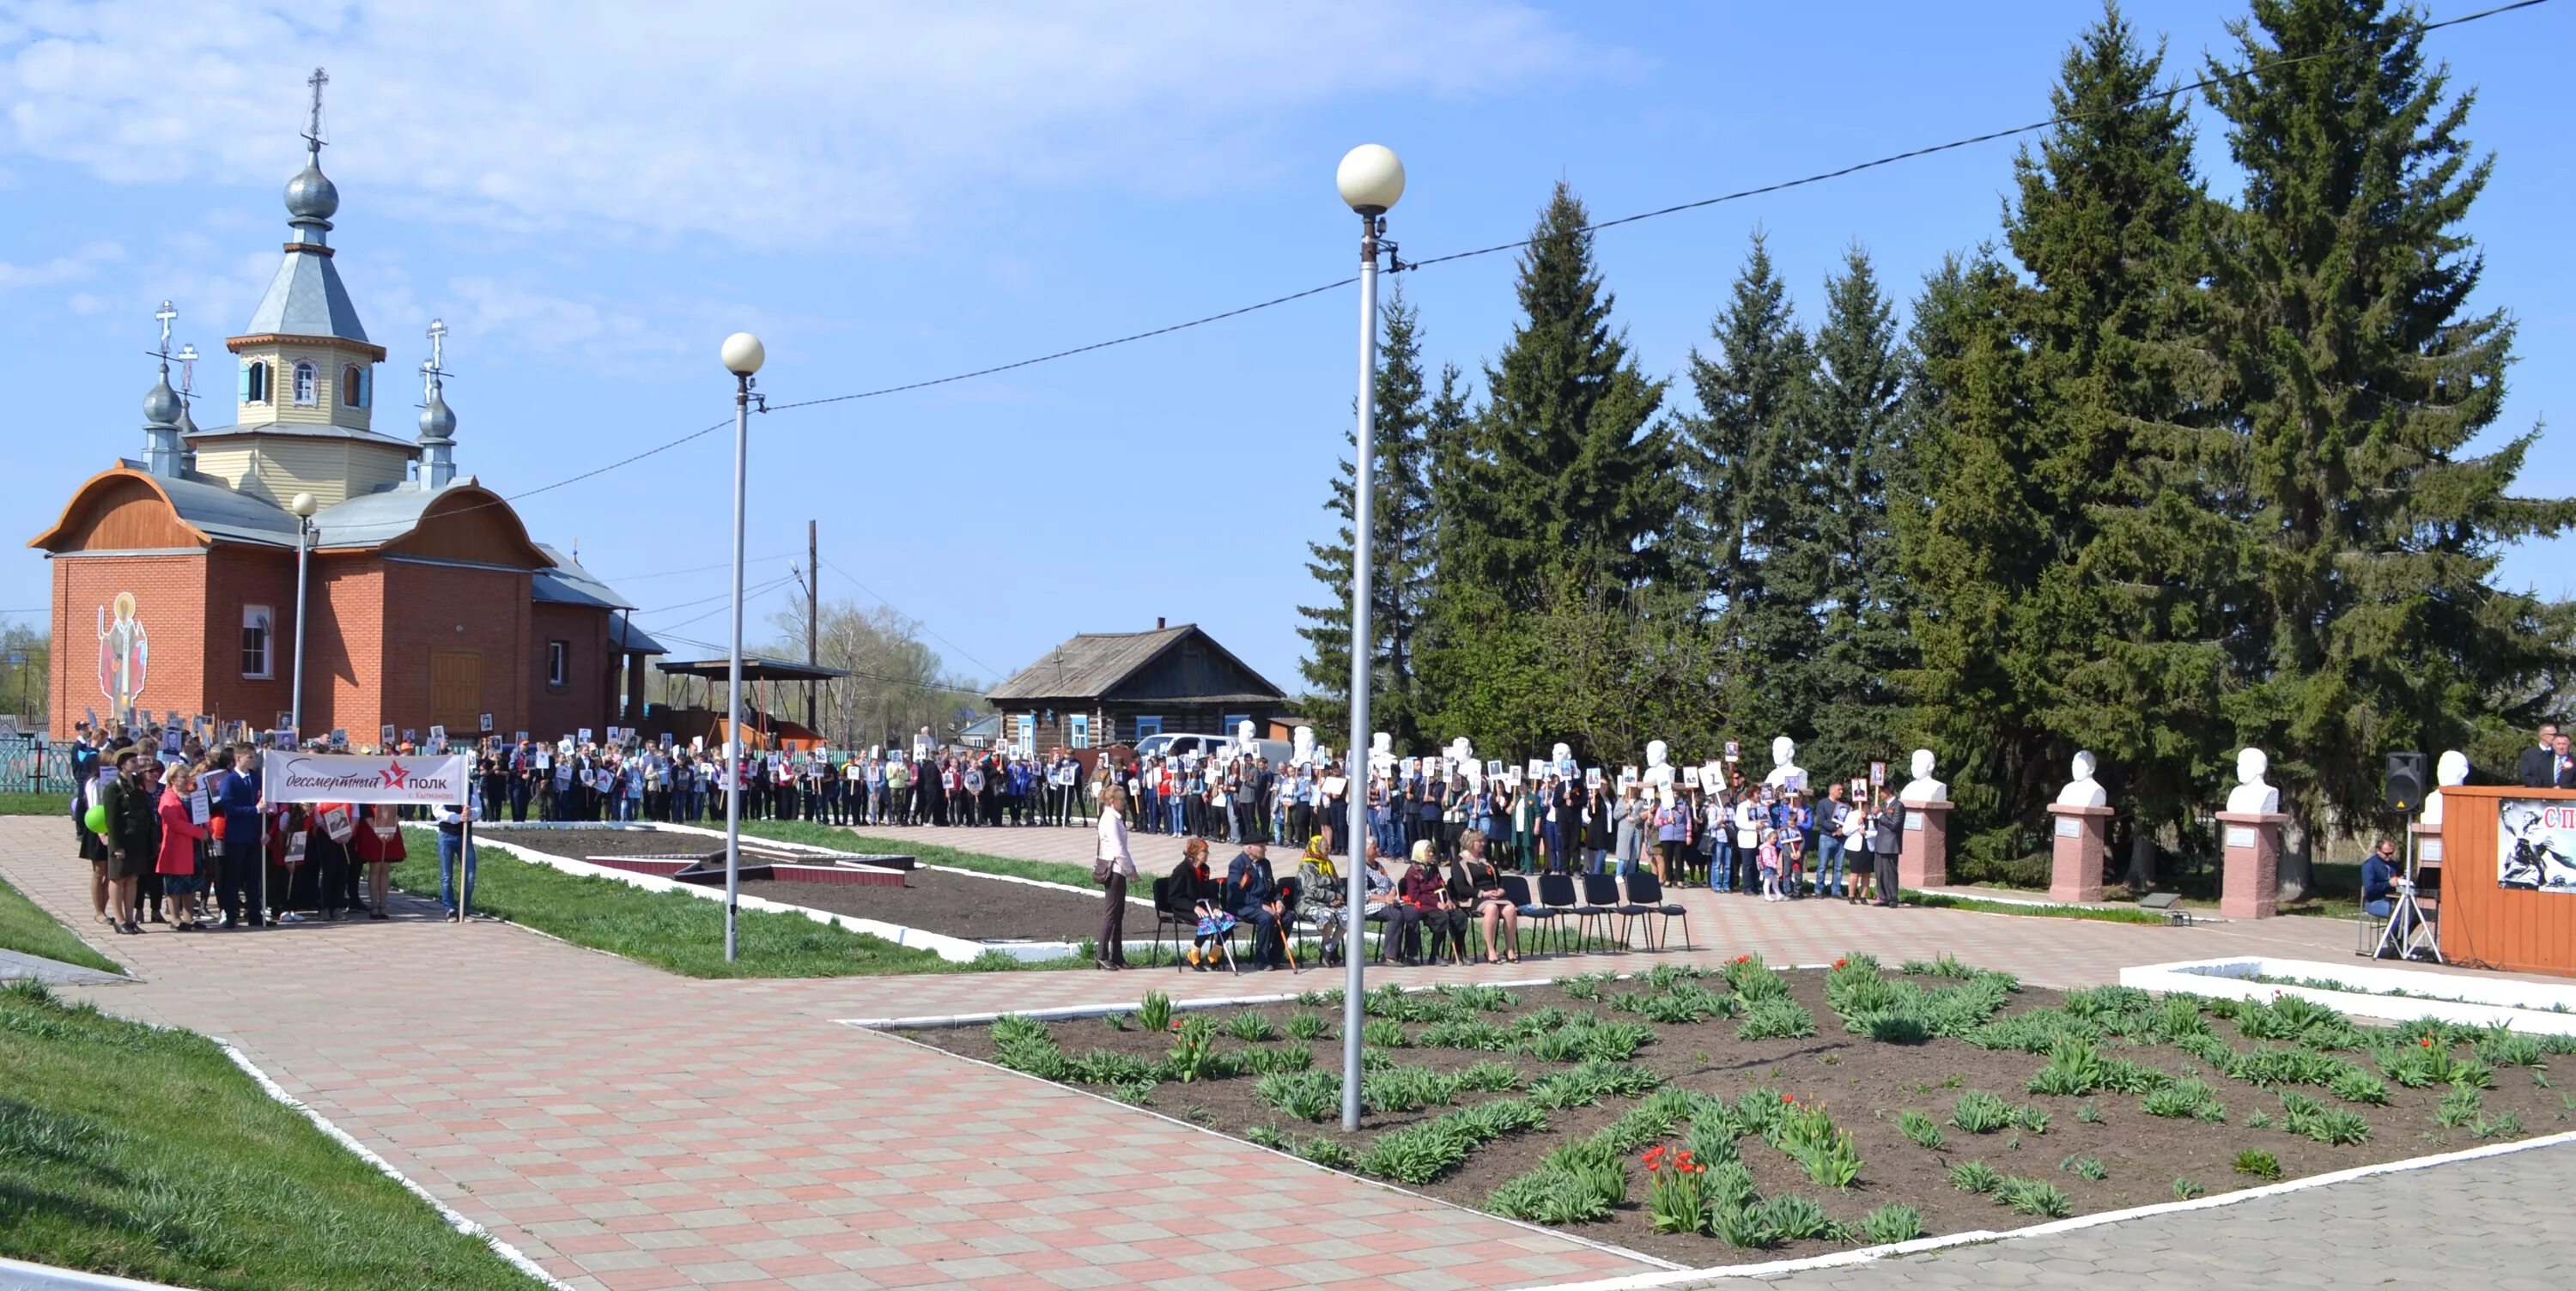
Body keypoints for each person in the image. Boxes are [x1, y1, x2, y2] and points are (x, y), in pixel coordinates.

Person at [155, 761, 210, 930]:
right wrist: (199, 833)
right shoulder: (168, 798)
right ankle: (175, 918)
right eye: (183, 777)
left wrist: (207, 828)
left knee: (192, 882)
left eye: (188, 776)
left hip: (194, 846)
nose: (187, 780)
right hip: (177, 847)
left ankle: (189, 917)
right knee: (175, 884)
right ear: (173, 780)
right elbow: (174, 823)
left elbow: (202, 815)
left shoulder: (193, 795)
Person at [1161, 837, 1226, 970]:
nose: (1208, 854)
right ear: (1195, 853)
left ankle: (1213, 954)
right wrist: (1193, 907)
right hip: (1184, 908)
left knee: (1226, 920)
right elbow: (1173, 898)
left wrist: (1215, 908)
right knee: (1209, 922)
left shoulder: (1204, 869)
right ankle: (1193, 954)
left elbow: (1208, 893)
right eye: (1205, 851)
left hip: (1201, 906)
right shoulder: (1181, 870)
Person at [1453, 833, 1518, 964]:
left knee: (1510, 909)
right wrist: (1483, 894)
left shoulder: (1487, 858)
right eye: (1480, 841)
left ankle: (1509, 949)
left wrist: (1501, 890)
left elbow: (1500, 880)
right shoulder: (1459, 861)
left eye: (1484, 841)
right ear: (1470, 842)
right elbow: (1460, 887)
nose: (1483, 843)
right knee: (1492, 908)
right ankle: (1490, 950)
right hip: (1475, 897)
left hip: (1495, 895)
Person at [1092, 785, 1136, 969]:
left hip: (1118, 870)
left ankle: (1117, 955)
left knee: (1118, 915)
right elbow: (1119, 850)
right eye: (1122, 799)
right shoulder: (1110, 819)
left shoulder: (1115, 818)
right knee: (1111, 914)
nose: (1125, 802)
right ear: (1112, 801)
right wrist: (1132, 871)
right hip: (1114, 870)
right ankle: (1102, 955)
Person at [1400, 839, 1465, 964]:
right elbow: (1415, 897)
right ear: (1419, 853)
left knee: (1460, 917)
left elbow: (1442, 885)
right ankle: (1434, 954)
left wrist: (1449, 900)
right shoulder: (1412, 872)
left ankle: (1459, 953)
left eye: (1431, 851)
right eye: (1428, 852)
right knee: (1442, 917)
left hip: (1440, 902)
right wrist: (1436, 904)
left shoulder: (1433, 868)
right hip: (1425, 906)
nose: (1431, 854)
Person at [1227, 840, 1285, 970]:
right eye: (1262, 846)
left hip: (1264, 904)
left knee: (1287, 917)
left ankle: (1274, 957)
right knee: (1266, 918)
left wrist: (1278, 900)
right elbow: (1238, 893)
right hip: (1243, 905)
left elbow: (1271, 886)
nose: (1265, 849)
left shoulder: (1265, 863)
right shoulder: (1237, 865)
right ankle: (1261, 960)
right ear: (1249, 848)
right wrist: (1261, 905)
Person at [1360, 842, 1421, 966]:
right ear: (1365, 850)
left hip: (1389, 901)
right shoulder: (1360, 867)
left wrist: (1392, 893)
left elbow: (1391, 884)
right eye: (1374, 847)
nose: (1378, 849)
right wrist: (1384, 898)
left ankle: (1410, 955)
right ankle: (1390, 956)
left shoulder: (1379, 866)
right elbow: (1363, 893)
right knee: (1395, 915)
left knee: (1413, 912)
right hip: (1372, 903)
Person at [1296, 834, 1346, 966]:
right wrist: (1332, 897)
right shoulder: (1306, 866)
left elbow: (1339, 884)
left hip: (1328, 902)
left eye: (1328, 848)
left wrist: (1339, 896)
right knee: (1327, 916)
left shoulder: (1328, 864)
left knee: (1351, 915)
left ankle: (1328, 947)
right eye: (1325, 848)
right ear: (1316, 849)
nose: (1328, 851)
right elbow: (1311, 890)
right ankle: (1329, 952)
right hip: (1308, 903)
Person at [2360, 836, 2414, 949]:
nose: (2389, 856)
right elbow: (2369, 890)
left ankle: (2398, 937)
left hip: (2395, 899)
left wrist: (2401, 879)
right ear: (2378, 851)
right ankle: (2391, 936)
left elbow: (2397, 879)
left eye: (2392, 853)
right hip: (2375, 901)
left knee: (2415, 915)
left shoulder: (2393, 864)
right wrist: (2388, 884)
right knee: (2399, 913)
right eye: (2387, 854)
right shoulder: (2370, 865)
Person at [351, 802, 403, 919]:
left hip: (390, 830)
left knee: (385, 868)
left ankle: (383, 905)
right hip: (372, 830)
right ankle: (374, 905)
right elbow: (364, 811)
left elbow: (398, 810)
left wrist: (392, 828)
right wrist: (377, 831)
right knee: (375, 867)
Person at [434, 791, 477, 922]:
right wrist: (457, 817)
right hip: (446, 835)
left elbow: (478, 807)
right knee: (447, 876)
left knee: (470, 875)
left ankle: (464, 909)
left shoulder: (469, 786)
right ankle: (450, 909)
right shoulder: (443, 786)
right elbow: (438, 811)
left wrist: (471, 813)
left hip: (465, 835)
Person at [1869, 792, 1904, 907]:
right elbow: (1879, 825)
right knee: (1880, 872)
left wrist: (1879, 814)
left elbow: (1894, 825)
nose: (1879, 795)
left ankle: (1893, 898)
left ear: (1887, 792)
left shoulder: (1898, 806)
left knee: (1890, 872)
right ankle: (1883, 897)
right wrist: (1874, 817)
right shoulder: (1884, 806)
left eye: (1881, 792)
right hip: (1880, 843)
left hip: (1890, 844)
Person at [2519, 722, 2561, 788]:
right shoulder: (2528, 754)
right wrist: (2538, 784)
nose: (2555, 737)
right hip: (2537, 793)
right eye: (2553, 735)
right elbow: (2525, 776)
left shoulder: (2559, 753)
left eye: (2556, 734)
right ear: (2543, 736)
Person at [1757, 825, 1784, 902]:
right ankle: (1767, 895)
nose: (1775, 840)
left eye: (1776, 838)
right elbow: (1767, 860)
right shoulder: (1767, 848)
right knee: (1767, 882)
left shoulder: (1772, 847)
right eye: (1774, 838)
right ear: (1768, 838)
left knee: (1775, 881)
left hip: (1772, 867)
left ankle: (1779, 895)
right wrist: (1775, 865)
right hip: (1769, 867)